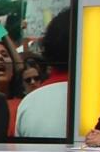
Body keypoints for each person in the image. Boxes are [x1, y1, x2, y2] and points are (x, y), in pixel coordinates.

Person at [15, 8, 71, 138]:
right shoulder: (98, 98)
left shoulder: (28, 105)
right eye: (28, 80)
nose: (33, 82)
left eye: (36, 78)